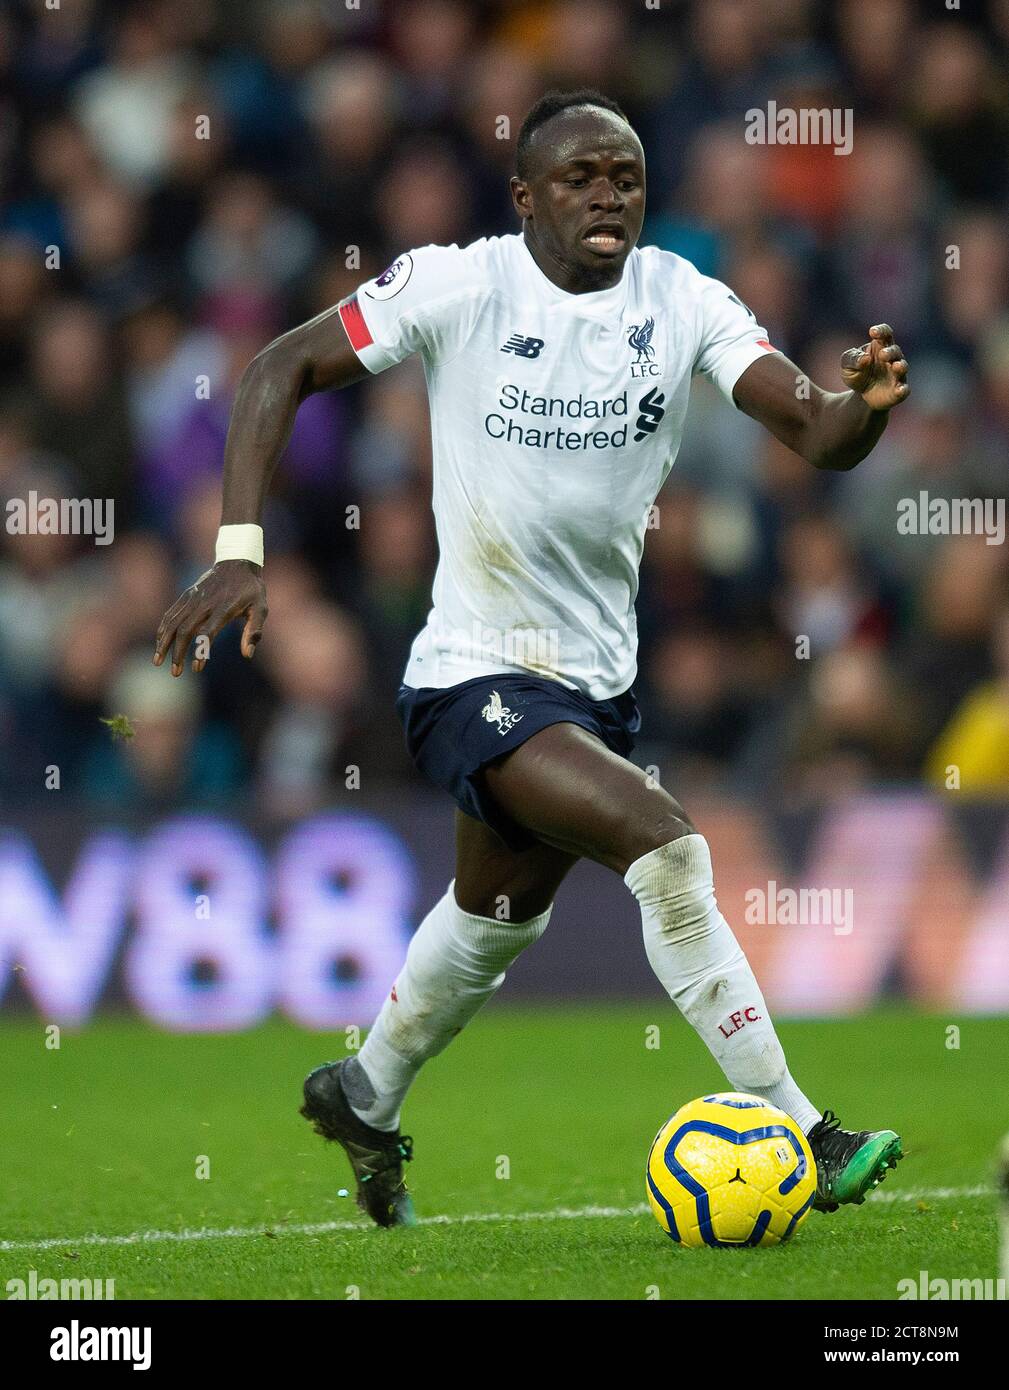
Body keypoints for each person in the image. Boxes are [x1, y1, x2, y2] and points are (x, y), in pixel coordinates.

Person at [154, 90, 909, 1229]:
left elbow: (813, 427)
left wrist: (862, 409)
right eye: (580, 178)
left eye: (626, 178)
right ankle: (809, 1127)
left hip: (595, 685)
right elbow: (275, 371)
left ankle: (362, 1093)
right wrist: (241, 548)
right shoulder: (461, 284)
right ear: (523, 198)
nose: (608, 195)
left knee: (494, 920)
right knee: (669, 851)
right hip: (472, 673)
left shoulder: (681, 298)